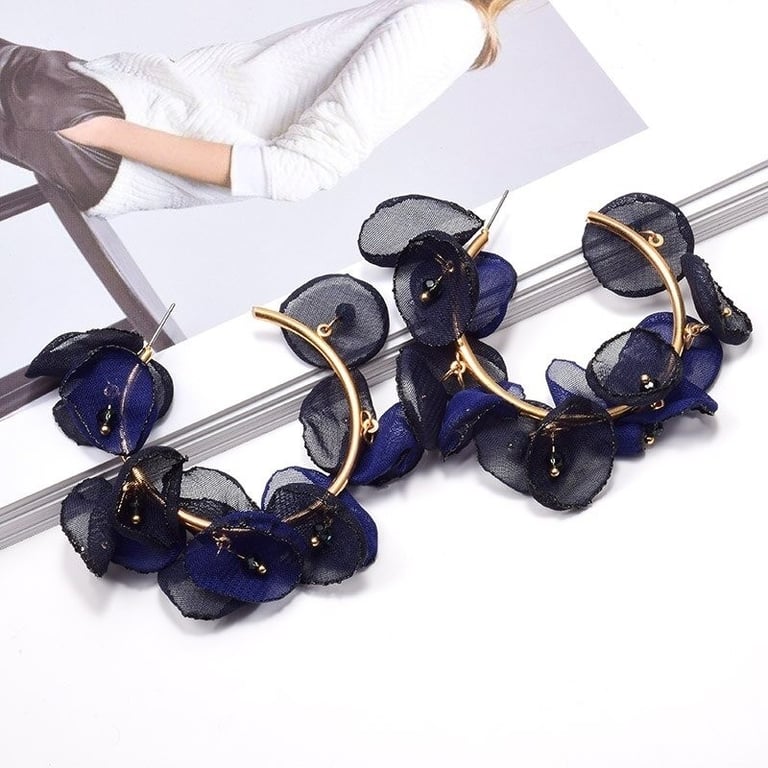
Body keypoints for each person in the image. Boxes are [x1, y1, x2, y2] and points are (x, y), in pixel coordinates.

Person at [1, 0, 513, 217]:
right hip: (89, 98)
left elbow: (301, 170)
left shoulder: (447, 23)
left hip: (90, 120)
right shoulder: (441, 16)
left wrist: (102, 131)